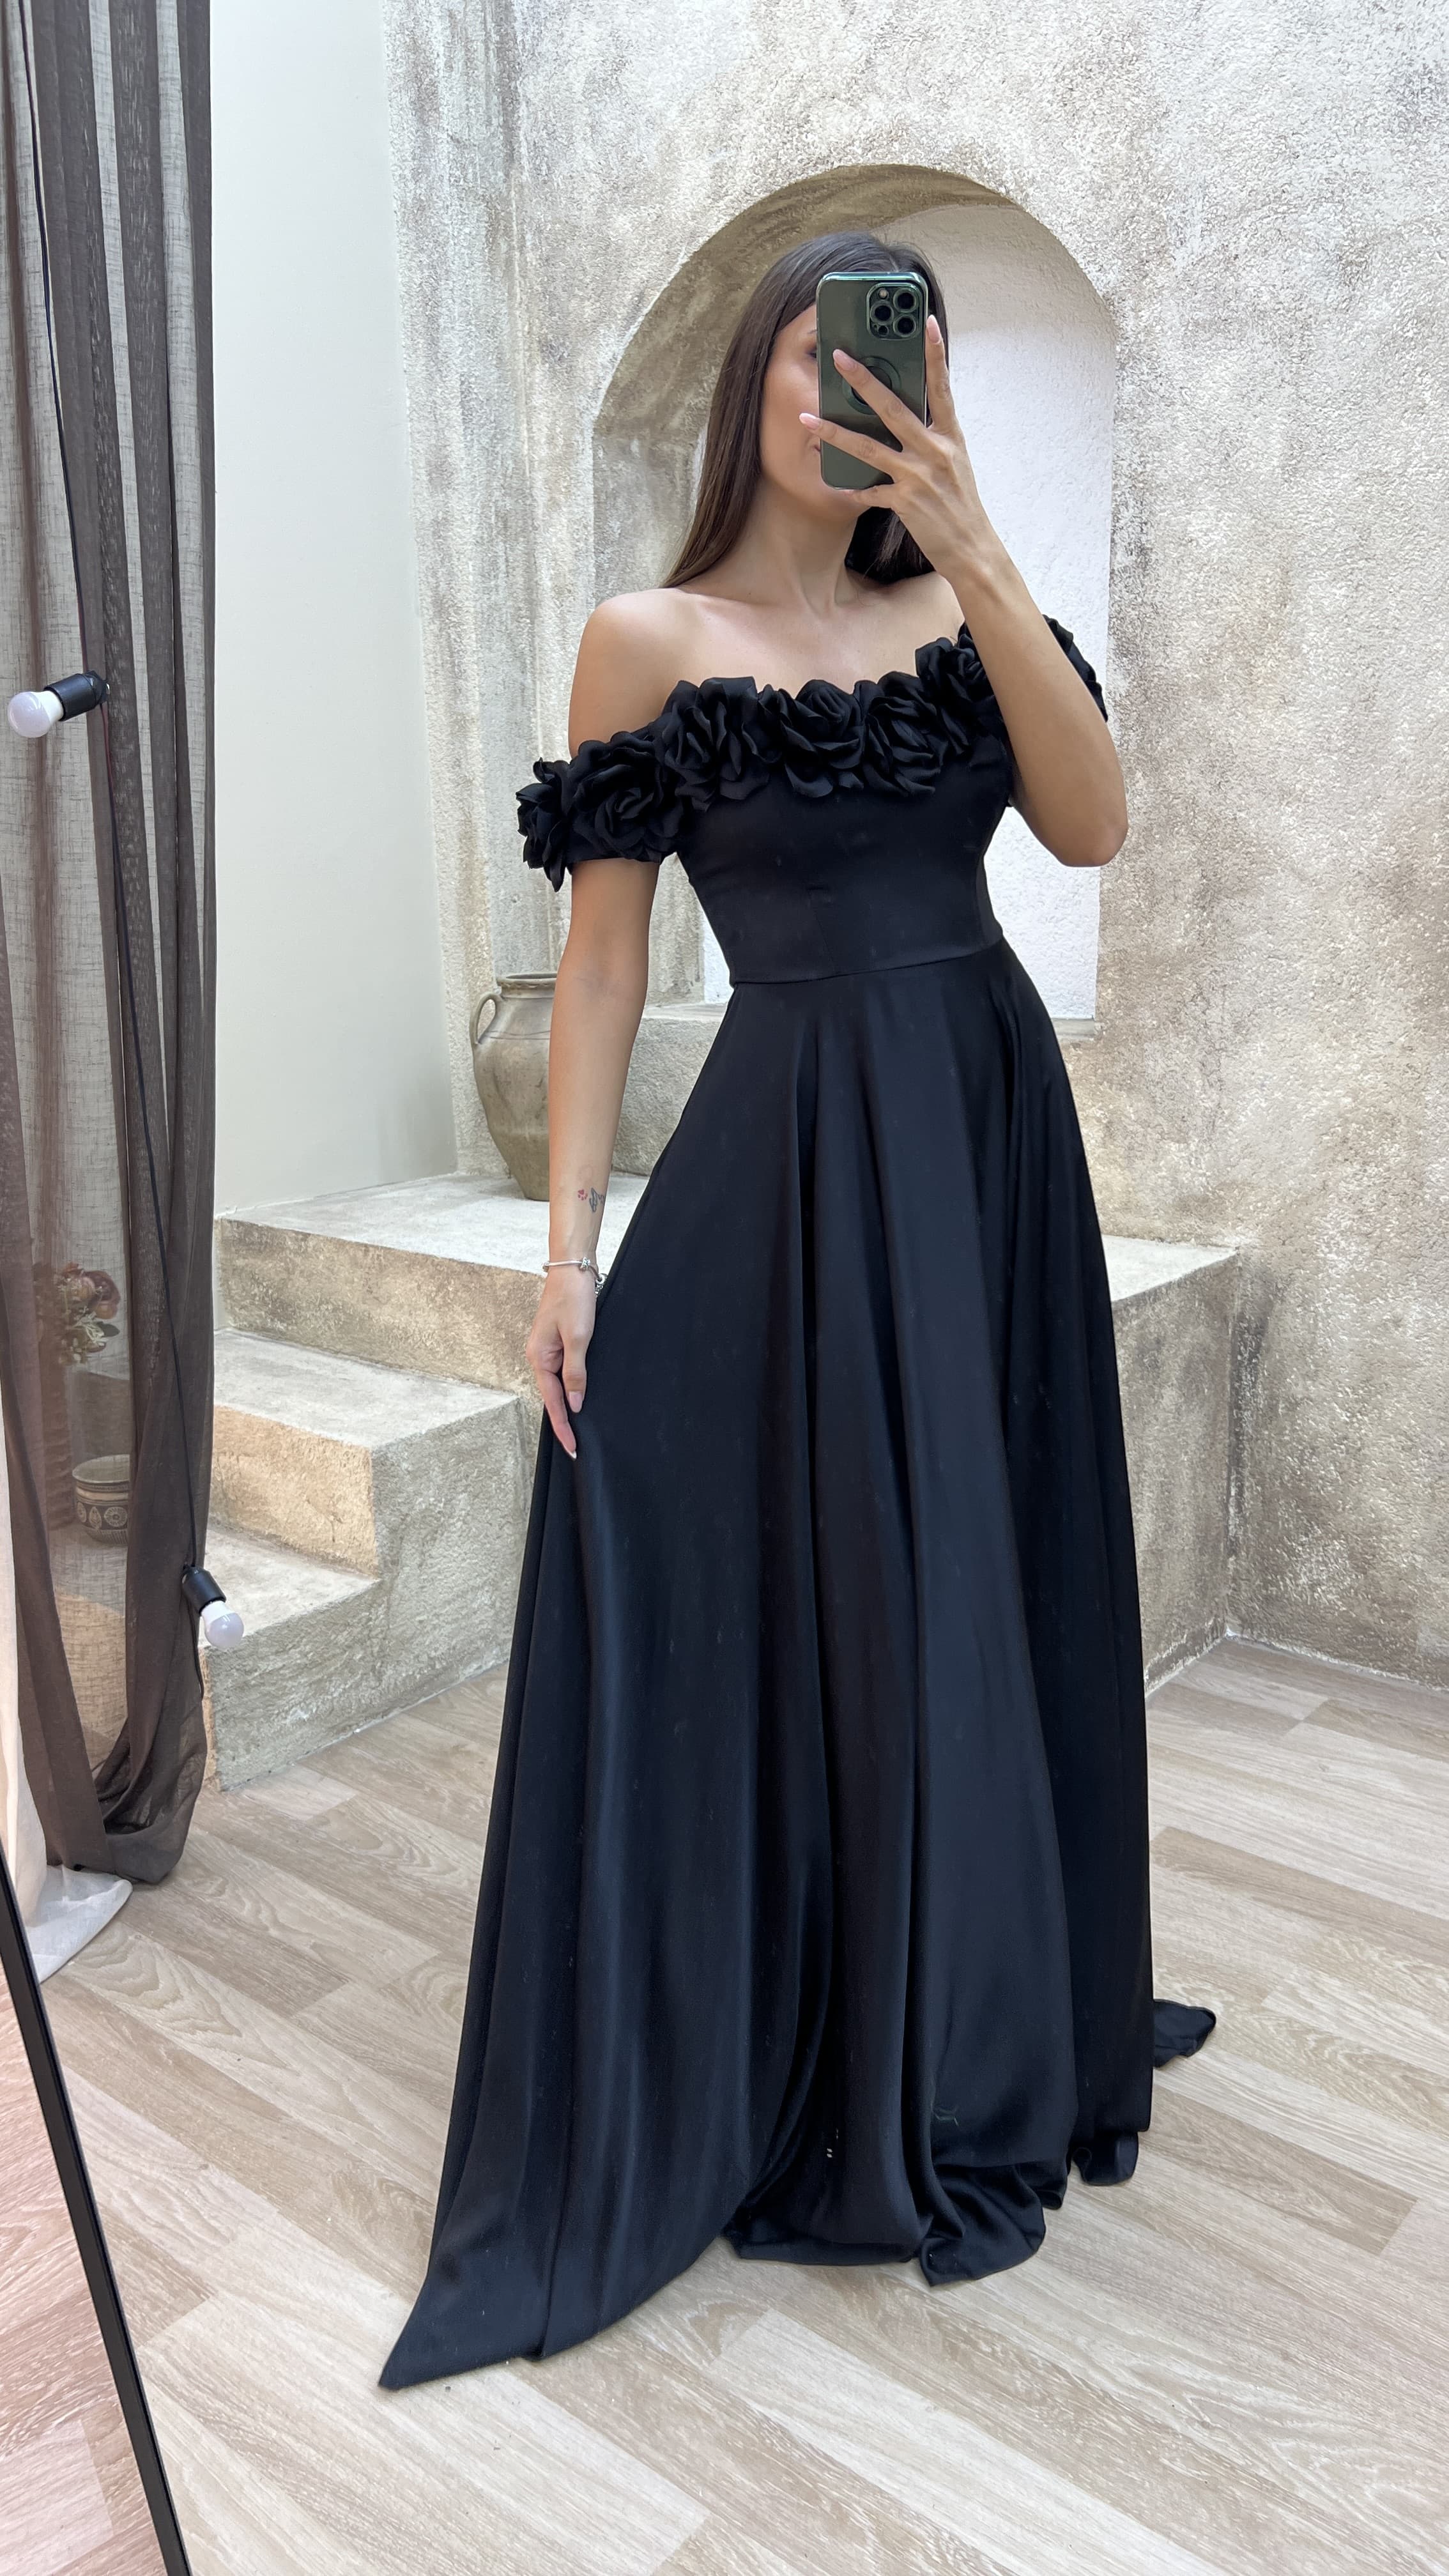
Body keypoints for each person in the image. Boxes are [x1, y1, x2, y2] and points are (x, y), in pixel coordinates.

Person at [379, 231, 1213, 2392]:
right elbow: (600, 967)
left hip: (979, 1132)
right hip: (788, 1142)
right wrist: (566, 1252)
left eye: (906, 371)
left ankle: (979, 2008)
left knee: (975, 1569)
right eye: (833, 365)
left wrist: (978, 543)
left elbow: (1092, 826)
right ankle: (809, 2013)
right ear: (757, 374)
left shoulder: (966, 612)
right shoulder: (644, 642)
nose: (864, 402)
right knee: (812, 1572)